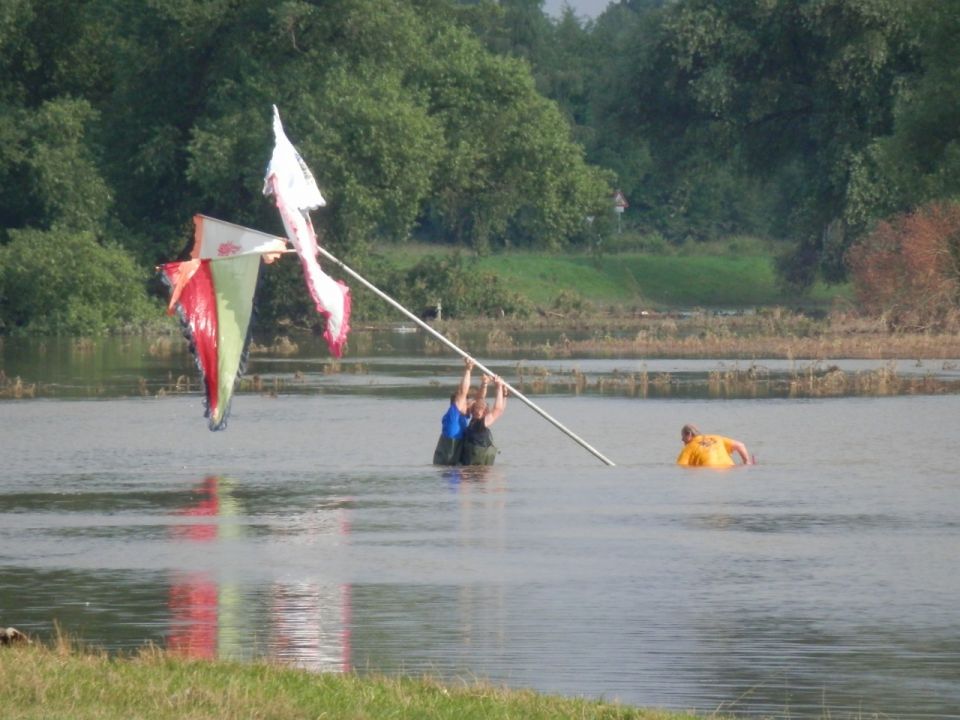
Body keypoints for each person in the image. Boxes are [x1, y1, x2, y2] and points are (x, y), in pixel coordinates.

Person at [432, 357, 478, 465]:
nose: (468, 405)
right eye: (466, 403)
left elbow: (479, 402)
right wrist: (468, 369)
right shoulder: (453, 414)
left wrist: (486, 384)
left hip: (455, 457)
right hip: (447, 457)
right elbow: (463, 391)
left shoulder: (463, 416)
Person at [460, 374, 508, 466]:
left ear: (484, 412)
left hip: (478, 460)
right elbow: (497, 410)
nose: (477, 409)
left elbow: (498, 410)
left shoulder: (481, 422)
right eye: (477, 407)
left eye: (480, 407)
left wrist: (500, 390)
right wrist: (498, 388)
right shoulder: (476, 419)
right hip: (475, 460)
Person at [676, 423, 753, 467]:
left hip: (709, 472)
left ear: (689, 434)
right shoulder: (717, 438)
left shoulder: (688, 448)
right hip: (729, 469)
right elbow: (741, 445)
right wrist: (747, 462)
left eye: (683, 437)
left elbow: (681, 467)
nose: (682, 440)